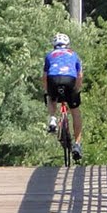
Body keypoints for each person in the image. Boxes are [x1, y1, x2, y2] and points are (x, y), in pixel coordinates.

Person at [43, 32, 84, 161]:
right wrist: (76, 89)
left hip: (53, 79)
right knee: (75, 112)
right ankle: (77, 144)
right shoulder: (74, 54)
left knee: (51, 97)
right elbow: (80, 76)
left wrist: (47, 90)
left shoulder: (49, 55)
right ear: (68, 44)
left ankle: (53, 119)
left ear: (54, 45)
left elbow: (44, 77)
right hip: (69, 80)